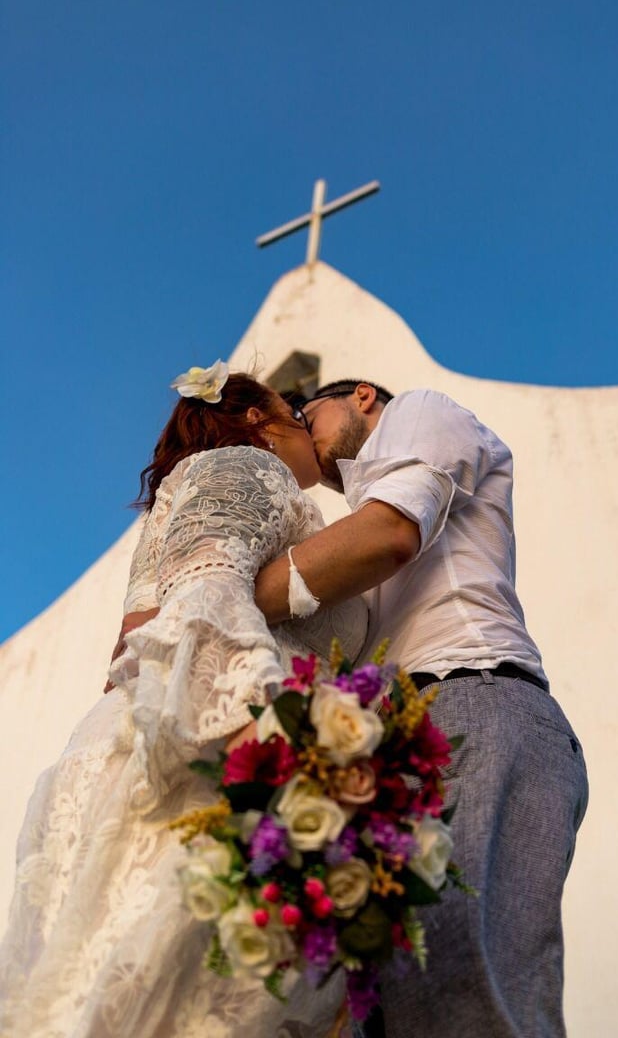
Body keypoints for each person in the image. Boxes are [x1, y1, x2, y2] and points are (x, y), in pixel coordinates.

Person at [0, 365, 367, 1038]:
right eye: (292, 413)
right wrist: (272, 746)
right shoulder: (249, 468)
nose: (304, 426)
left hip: (147, 736)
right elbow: (207, 591)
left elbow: (139, 631)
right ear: (257, 421)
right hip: (207, 743)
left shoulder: (192, 484)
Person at [253, 380, 589, 1038]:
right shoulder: (350, 522)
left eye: (306, 416)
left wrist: (219, 593)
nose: (302, 433)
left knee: (459, 980)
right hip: (397, 747)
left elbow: (392, 533)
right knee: (375, 1008)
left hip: (470, 699)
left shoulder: (418, 412)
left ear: (361, 397)